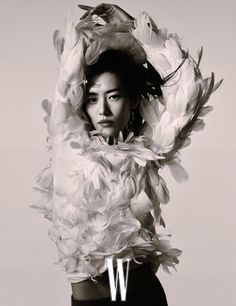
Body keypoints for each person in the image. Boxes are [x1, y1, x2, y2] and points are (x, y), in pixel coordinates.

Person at [32, 3, 222, 306]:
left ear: (132, 101)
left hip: (139, 295)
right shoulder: (67, 139)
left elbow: (188, 93)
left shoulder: (146, 151)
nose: (103, 109)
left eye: (114, 96)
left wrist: (137, 30)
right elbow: (67, 84)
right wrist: (86, 33)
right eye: (93, 98)